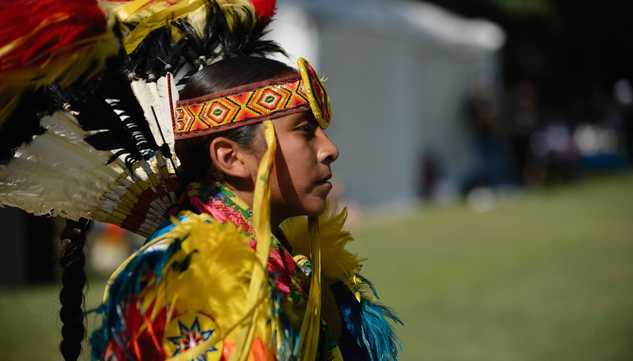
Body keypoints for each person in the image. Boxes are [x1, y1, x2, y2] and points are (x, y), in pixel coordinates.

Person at [0, 1, 401, 360]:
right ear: (231, 157)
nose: (330, 149)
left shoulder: (278, 257)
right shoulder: (192, 278)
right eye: (304, 131)